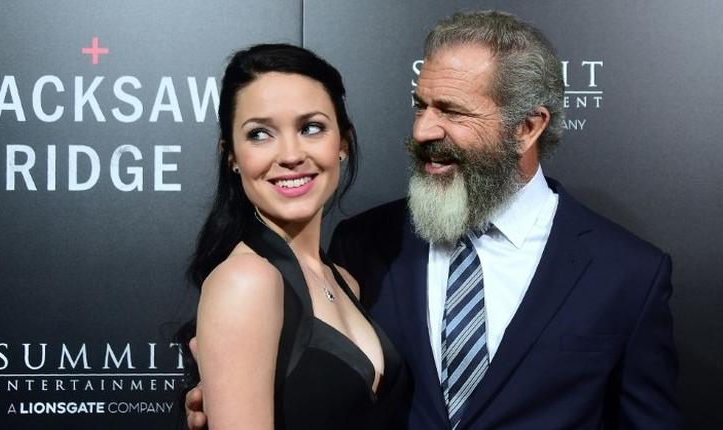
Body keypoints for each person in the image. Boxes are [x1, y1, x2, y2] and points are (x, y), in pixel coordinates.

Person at [187, 11, 681, 429]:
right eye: (420, 105)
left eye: (452, 111)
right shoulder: (364, 243)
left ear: (527, 128)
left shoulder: (628, 273)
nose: (424, 129)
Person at [180, 43, 409, 430]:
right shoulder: (245, 282)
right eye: (259, 134)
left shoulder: (345, 277)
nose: (290, 154)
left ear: (343, 143)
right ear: (231, 155)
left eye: (311, 128)